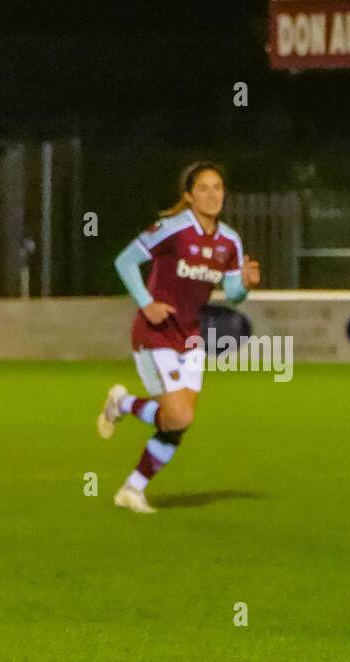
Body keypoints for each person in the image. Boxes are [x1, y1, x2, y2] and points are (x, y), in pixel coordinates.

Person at [98, 162, 260, 513]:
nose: (213, 195)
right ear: (188, 195)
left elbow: (231, 294)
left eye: (218, 187)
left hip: (189, 337)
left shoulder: (229, 240)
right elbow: (124, 262)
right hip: (155, 333)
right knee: (179, 417)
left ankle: (132, 488)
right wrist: (147, 303)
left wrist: (244, 284)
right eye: (203, 188)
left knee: (178, 423)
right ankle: (123, 404)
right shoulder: (171, 230)